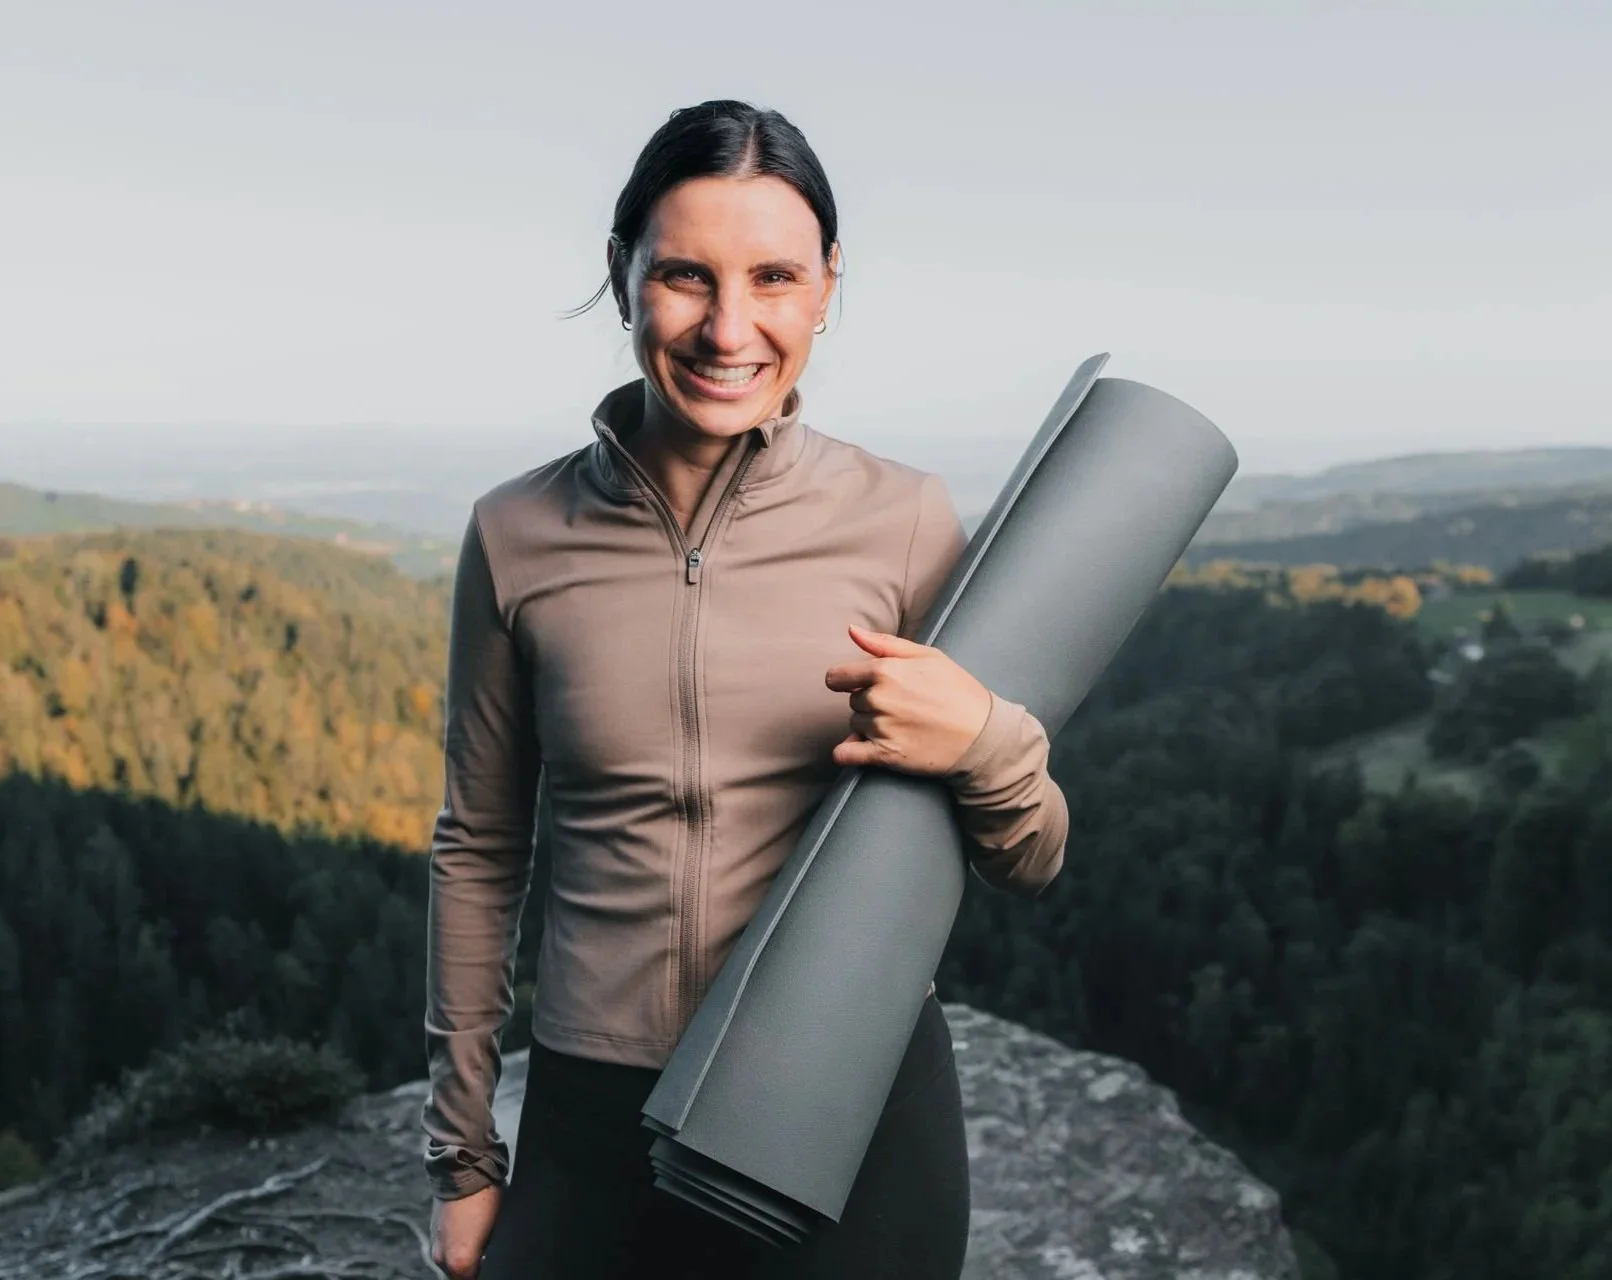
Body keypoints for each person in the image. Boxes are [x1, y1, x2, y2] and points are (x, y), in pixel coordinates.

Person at [421, 98, 1069, 1280]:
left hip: (852, 1099)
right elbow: (478, 848)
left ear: (827, 285)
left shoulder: (906, 518)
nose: (729, 327)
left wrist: (984, 740)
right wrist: (463, 1155)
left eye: (773, 276)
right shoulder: (514, 533)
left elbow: (1030, 853)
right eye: (683, 275)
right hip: (591, 1110)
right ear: (621, 277)